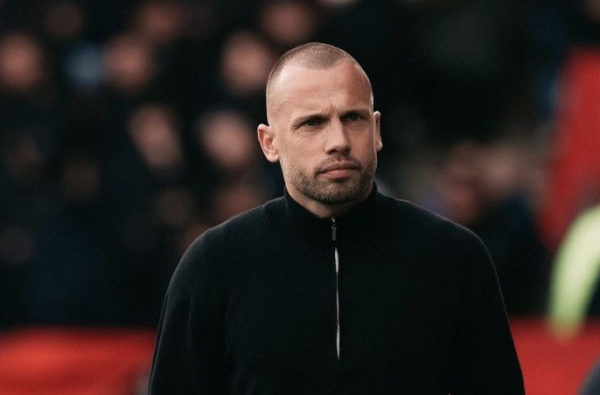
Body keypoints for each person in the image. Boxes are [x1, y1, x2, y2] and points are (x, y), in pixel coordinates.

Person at [148, 42, 524, 394]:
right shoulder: (213, 265)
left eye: (353, 117)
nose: (339, 141)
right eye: (312, 123)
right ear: (269, 143)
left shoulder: (453, 258)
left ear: (376, 131)